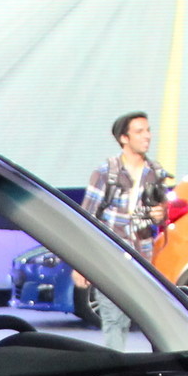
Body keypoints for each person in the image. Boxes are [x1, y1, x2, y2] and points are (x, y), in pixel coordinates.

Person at [78, 111, 173, 350]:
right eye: (140, 132)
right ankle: (115, 372)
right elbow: (86, 218)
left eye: (148, 130)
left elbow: (164, 215)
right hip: (111, 257)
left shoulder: (156, 172)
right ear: (124, 138)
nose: (147, 136)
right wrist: (81, 264)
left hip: (143, 259)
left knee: (151, 321)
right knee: (114, 320)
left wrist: (161, 214)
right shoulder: (106, 173)